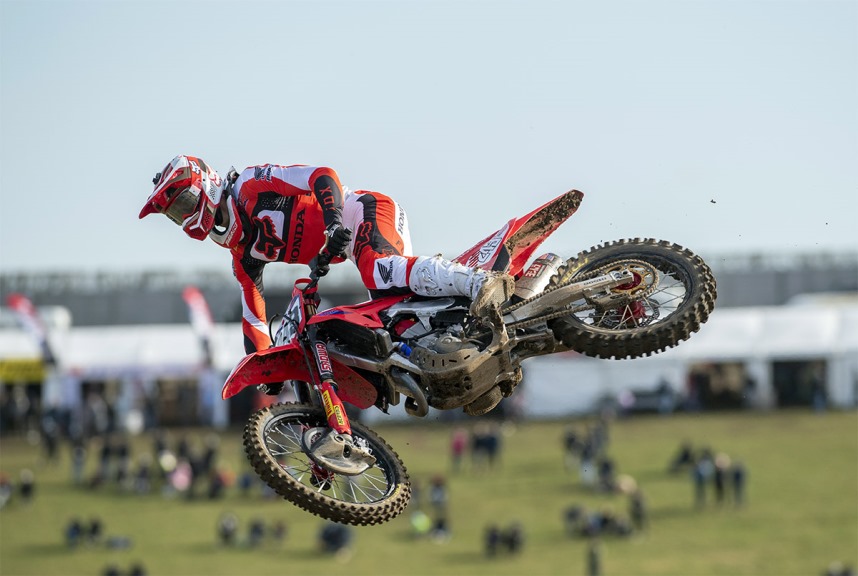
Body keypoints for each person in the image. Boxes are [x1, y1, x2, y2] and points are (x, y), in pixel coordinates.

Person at [140, 155, 514, 388]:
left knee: (382, 270)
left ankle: (479, 281)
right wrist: (265, 368)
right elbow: (253, 318)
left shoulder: (252, 186)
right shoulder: (243, 256)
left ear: (204, 182)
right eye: (176, 215)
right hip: (350, 246)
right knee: (394, 325)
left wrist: (335, 222)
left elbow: (322, 175)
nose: (185, 218)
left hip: (361, 211)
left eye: (185, 203)